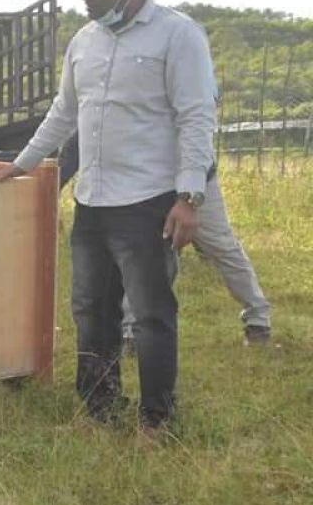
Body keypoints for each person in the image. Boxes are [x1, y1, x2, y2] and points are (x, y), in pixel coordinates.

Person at [0, 0, 217, 432]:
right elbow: (63, 113)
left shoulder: (178, 37)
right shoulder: (84, 41)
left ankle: (157, 420)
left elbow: (196, 118)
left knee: (152, 315)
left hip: (148, 201)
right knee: (91, 309)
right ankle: (99, 408)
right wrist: (22, 165)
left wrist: (188, 196)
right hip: (92, 200)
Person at [58, 136, 272, 349]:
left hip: (195, 181)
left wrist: (190, 194)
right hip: (146, 184)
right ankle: (132, 331)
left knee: (222, 247)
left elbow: (197, 134)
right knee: (141, 254)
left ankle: (258, 320)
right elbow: (82, 138)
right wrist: (53, 183)